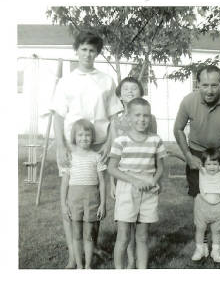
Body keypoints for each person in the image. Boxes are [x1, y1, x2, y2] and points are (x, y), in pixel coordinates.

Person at [51, 30, 123, 268]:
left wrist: (110, 144)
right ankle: (74, 254)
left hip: (99, 144)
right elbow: (59, 116)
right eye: (83, 49)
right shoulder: (66, 81)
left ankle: (93, 246)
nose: (88, 54)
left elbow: (114, 116)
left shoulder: (105, 80)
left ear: (97, 53)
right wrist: (61, 145)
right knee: (71, 197)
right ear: (77, 50)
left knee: (94, 196)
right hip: (73, 145)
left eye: (92, 50)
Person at [173, 64, 220, 256]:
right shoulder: (188, 101)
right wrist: (188, 156)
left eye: (214, 85)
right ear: (197, 83)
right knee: (200, 199)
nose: (209, 90)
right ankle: (202, 244)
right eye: (204, 85)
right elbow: (178, 129)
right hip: (197, 153)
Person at [108, 97, 167, 269]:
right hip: (127, 188)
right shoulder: (121, 141)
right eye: (137, 115)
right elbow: (112, 168)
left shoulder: (155, 140)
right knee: (124, 236)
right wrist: (134, 180)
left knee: (142, 237)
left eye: (146, 116)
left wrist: (154, 181)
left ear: (150, 118)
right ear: (128, 117)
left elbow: (160, 167)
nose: (142, 119)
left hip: (148, 190)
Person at [61, 119, 106, 269]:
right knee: (77, 235)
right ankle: (79, 265)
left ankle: (88, 266)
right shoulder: (70, 157)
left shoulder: (96, 157)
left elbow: (102, 182)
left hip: (92, 199)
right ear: (74, 137)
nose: (84, 138)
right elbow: (65, 183)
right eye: (80, 135)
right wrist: (63, 204)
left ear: (92, 137)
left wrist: (103, 204)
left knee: (89, 235)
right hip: (74, 200)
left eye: (87, 135)